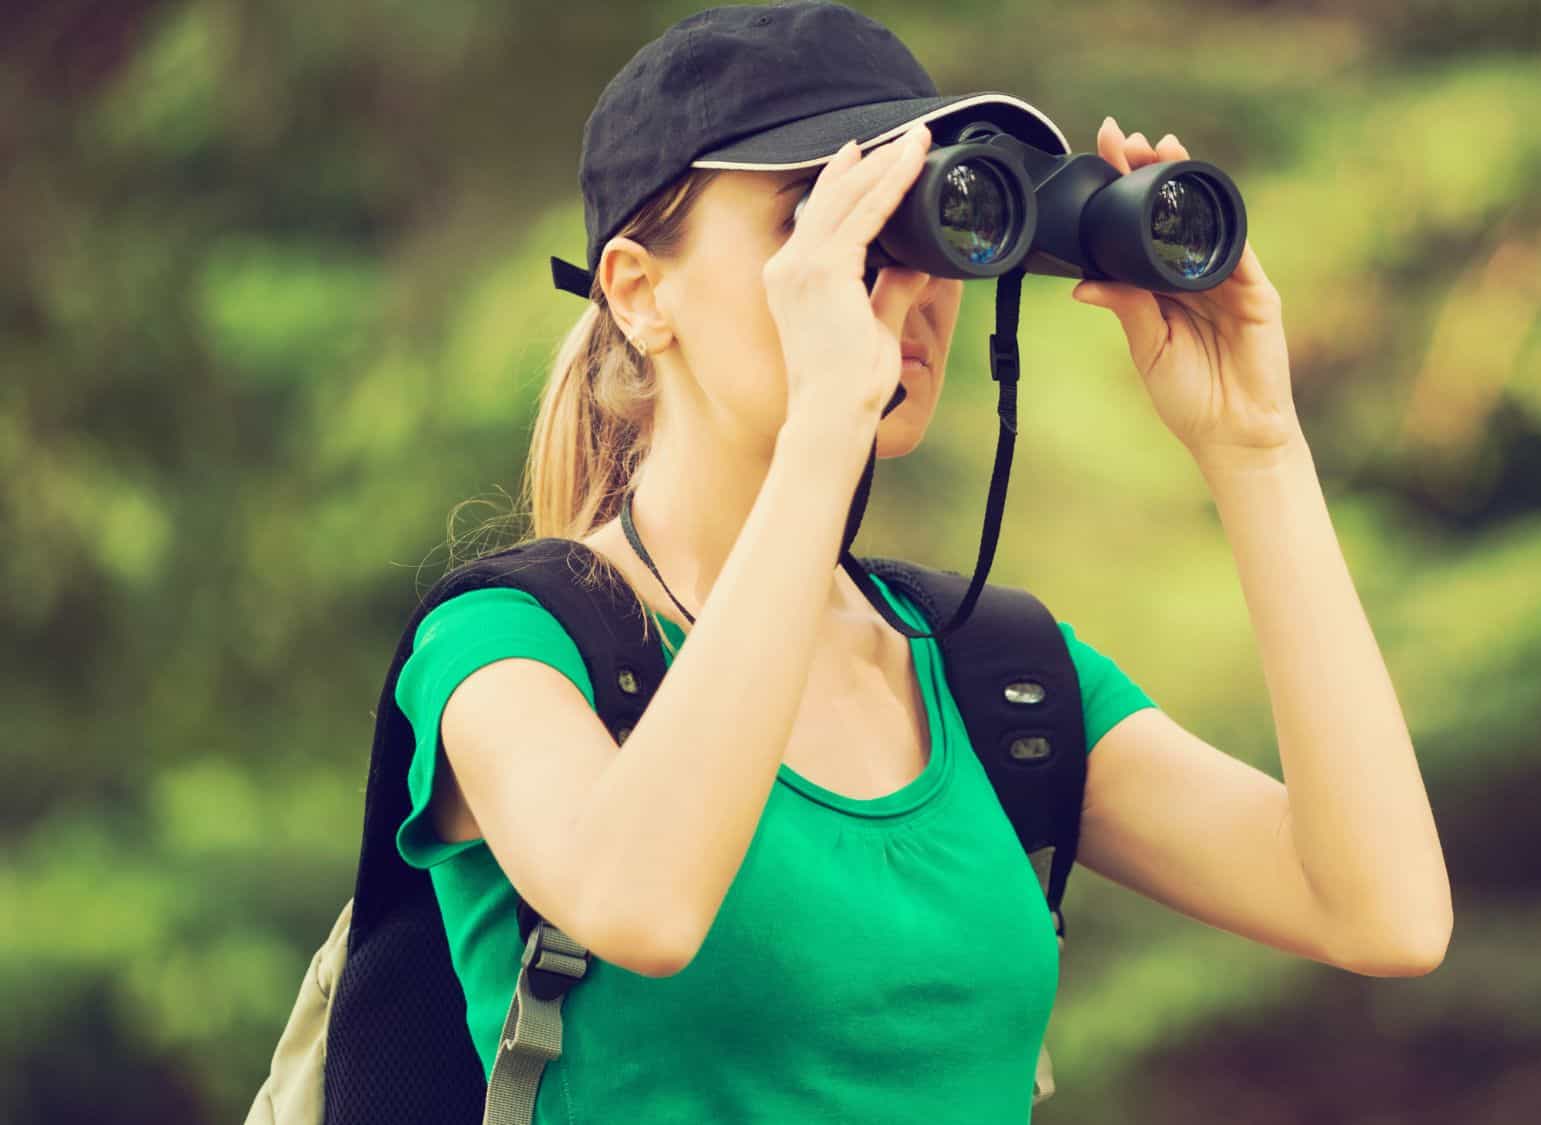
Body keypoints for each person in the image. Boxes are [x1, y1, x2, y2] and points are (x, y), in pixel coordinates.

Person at [394, 2, 1451, 1121]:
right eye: (825, 220)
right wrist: (823, 431)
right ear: (639, 290)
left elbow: (1382, 914)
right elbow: (643, 906)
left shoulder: (995, 677)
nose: (905, 285)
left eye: (925, 218)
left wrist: (1258, 449)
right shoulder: (508, 651)